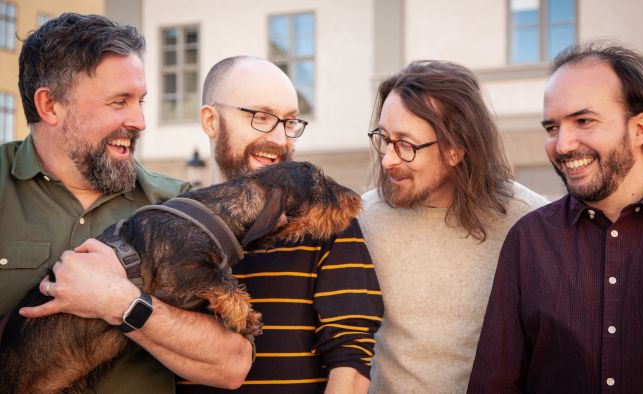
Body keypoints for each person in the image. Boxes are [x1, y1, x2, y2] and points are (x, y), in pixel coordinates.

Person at [0, 13, 253, 392]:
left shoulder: (176, 205)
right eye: (119, 102)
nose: (139, 121)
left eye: (140, 101)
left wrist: (121, 301)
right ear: (50, 106)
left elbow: (231, 365)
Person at [468, 43, 643, 393]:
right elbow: (494, 383)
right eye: (551, 128)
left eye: (583, 121)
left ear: (639, 129)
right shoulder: (529, 240)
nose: (562, 145)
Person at [175, 56, 383, 394]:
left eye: (289, 122)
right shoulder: (175, 225)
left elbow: (352, 358)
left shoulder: (326, 222)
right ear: (211, 121)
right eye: (261, 117)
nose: (280, 139)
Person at [357, 60, 547, 393]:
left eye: (405, 144)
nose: (387, 159)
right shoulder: (363, 219)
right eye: (384, 139)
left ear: (456, 149)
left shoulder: (528, 223)